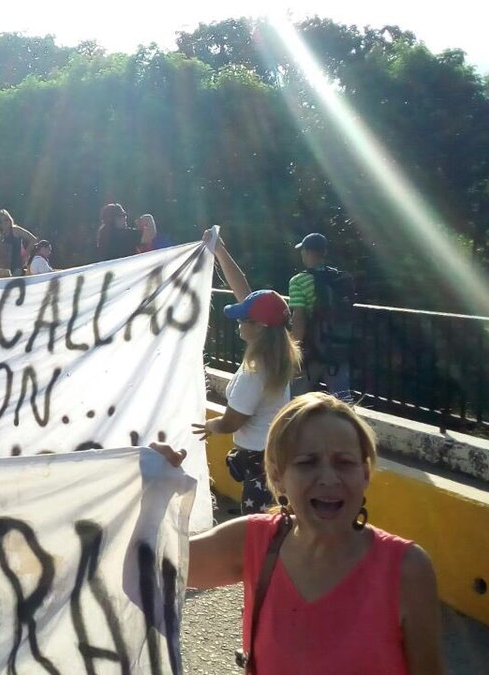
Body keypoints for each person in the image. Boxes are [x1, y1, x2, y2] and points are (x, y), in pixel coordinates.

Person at [153, 393, 444, 675]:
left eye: (344, 462)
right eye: (307, 463)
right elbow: (151, 562)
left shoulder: (406, 569)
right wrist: (151, 491)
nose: (329, 479)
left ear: (365, 473)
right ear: (278, 476)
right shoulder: (253, 541)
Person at [195, 231, 301, 515]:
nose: (238, 322)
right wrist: (220, 251)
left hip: (259, 466)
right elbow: (243, 290)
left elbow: (231, 422)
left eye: (243, 318)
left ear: (259, 326)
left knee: (258, 533)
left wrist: (209, 426)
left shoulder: (256, 372)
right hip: (274, 457)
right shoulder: (276, 348)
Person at [289, 233, 353, 400]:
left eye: (302, 250)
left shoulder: (298, 281)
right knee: (343, 399)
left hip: (312, 350)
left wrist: (293, 352)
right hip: (339, 346)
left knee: (293, 399)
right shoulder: (340, 279)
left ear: (307, 252)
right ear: (324, 252)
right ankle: (350, 425)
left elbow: (299, 319)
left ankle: (289, 426)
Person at [0, 209, 38, 277]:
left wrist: (25, 256)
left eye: (6, 219)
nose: (4, 223)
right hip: (6, 268)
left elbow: (33, 239)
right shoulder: (1, 236)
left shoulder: (15, 230)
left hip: (17, 266)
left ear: (10, 219)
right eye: (0, 222)